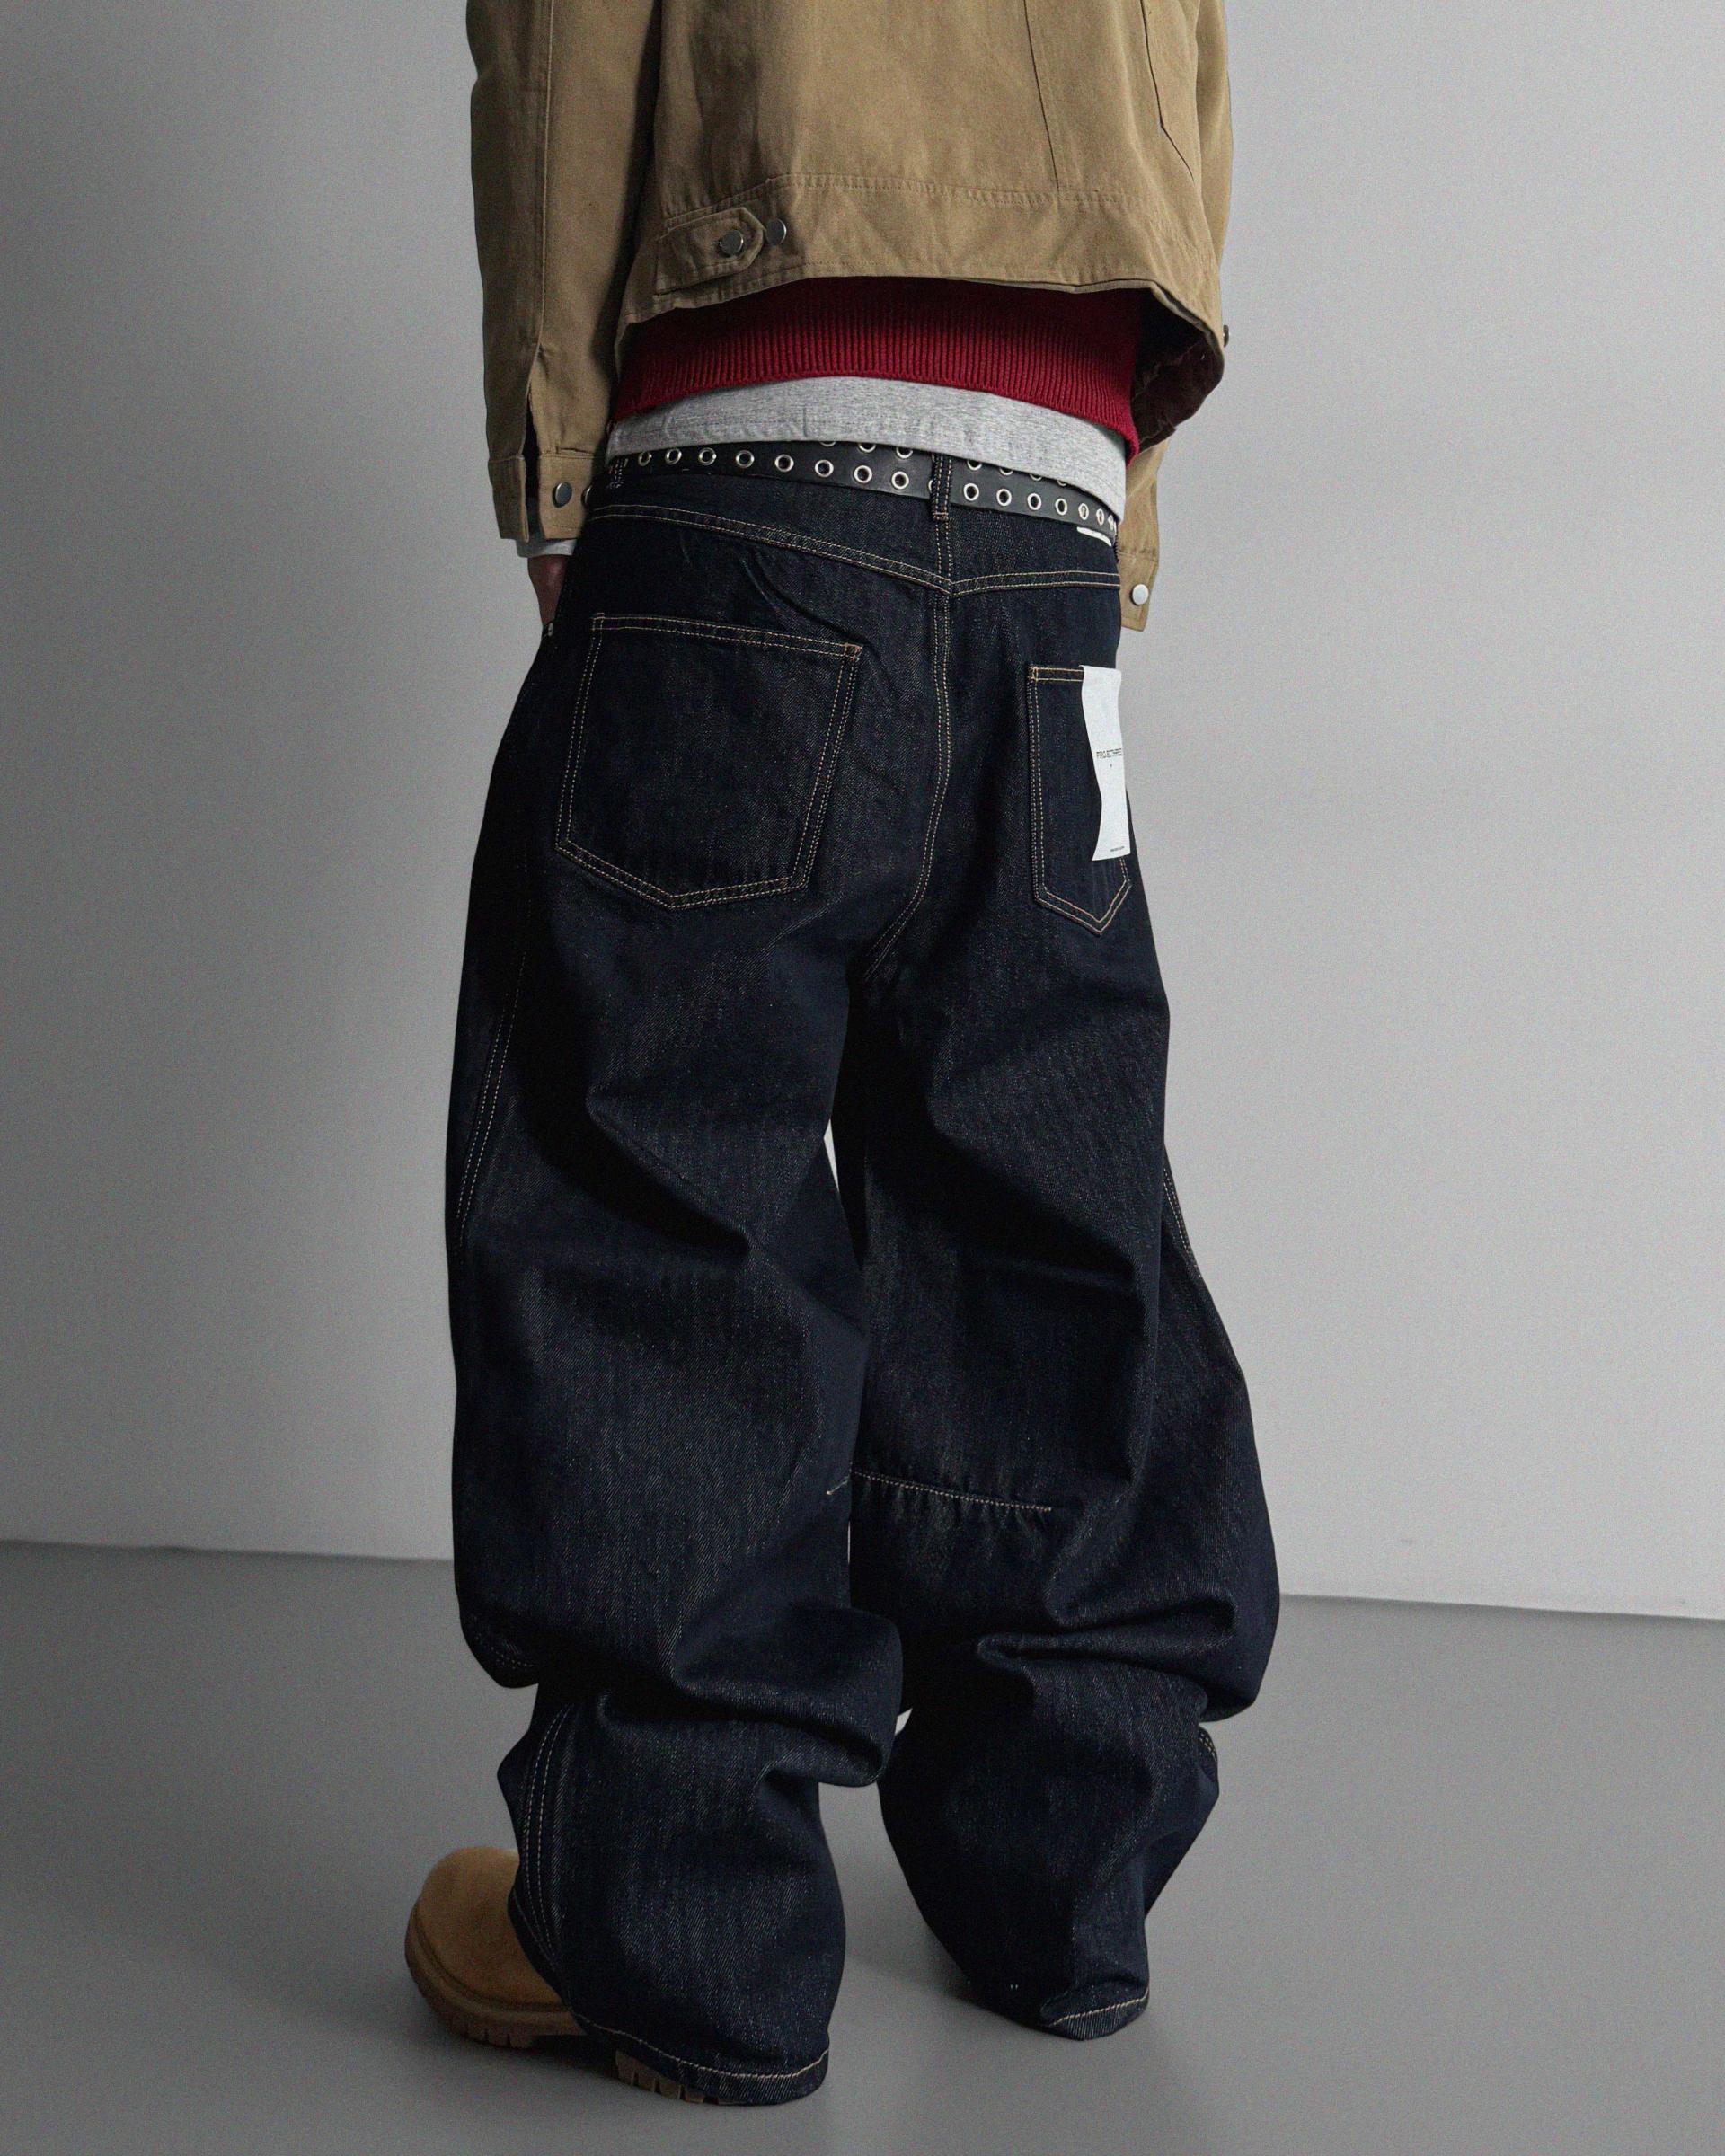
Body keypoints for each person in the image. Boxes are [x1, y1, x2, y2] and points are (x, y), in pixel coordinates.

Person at [404, 0, 1278, 2107]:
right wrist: (1120, 510)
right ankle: (1060, 1877)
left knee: (652, 1181)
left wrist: (557, 460)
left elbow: (572, 33)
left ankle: (679, 1927)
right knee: (1043, 1172)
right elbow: (1184, 75)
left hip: (749, 444)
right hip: (1056, 488)